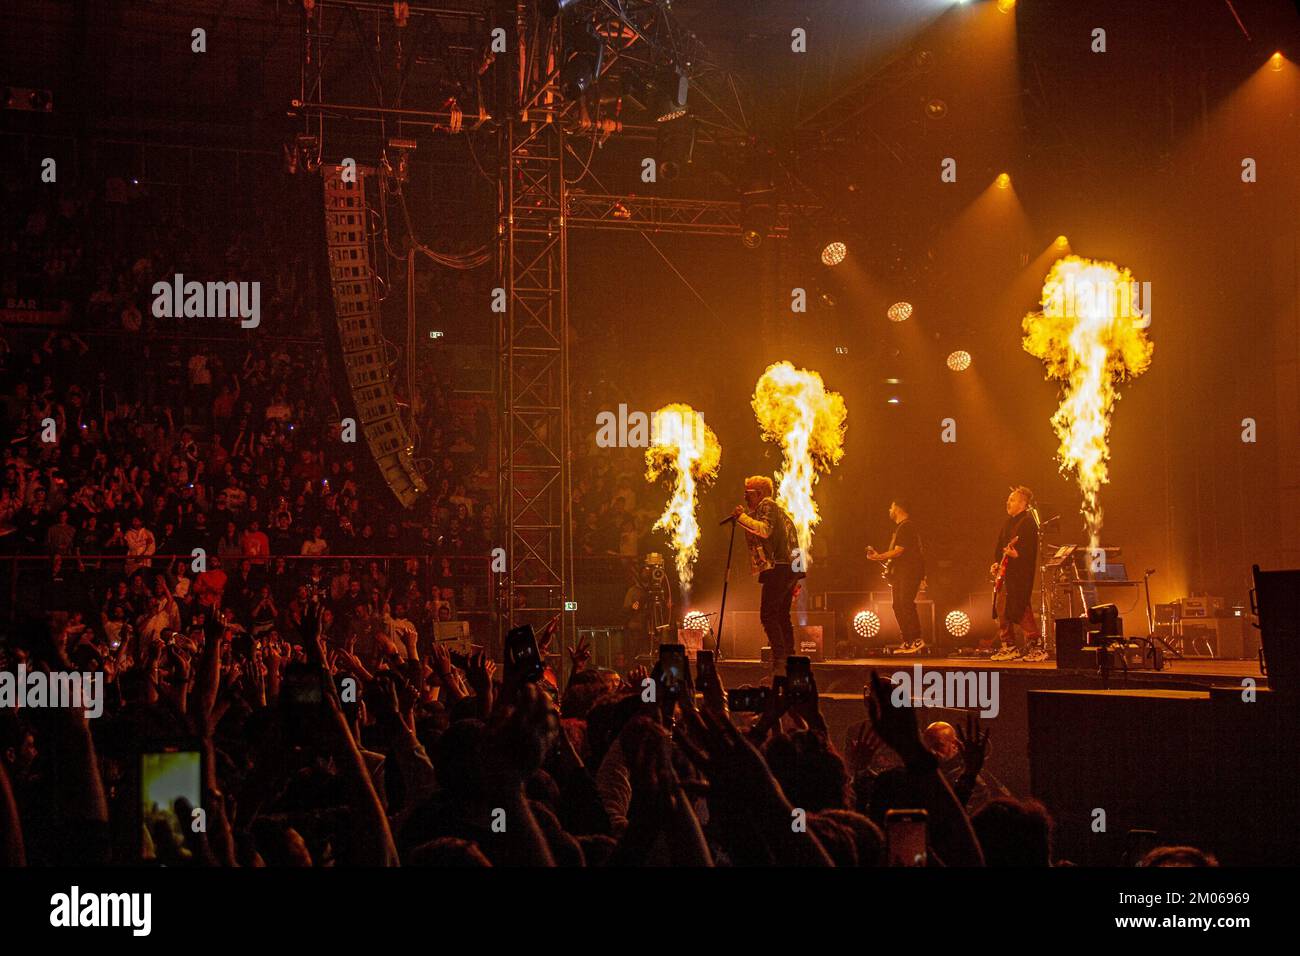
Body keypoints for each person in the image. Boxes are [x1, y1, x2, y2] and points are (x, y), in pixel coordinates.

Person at [731, 475, 802, 677]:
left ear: (759, 494)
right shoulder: (781, 511)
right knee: (781, 615)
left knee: (768, 615)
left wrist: (742, 518)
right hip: (789, 567)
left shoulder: (767, 505)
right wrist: (797, 573)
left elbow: (764, 530)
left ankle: (780, 662)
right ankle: (790, 660)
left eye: (748, 493)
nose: (745, 498)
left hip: (779, 568)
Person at [990, 486, 1044, 662]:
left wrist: (1017, 555)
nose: (1008, 502)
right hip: (1006, 573)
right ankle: (1009, 646)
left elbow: (1029, 551)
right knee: (1001, 608)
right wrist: (996, 563)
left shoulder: (1028, 523)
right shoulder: (1007, 522)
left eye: (1012, 499)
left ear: (1023, 503)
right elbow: (1000, 547)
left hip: (1019, 575)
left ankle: (1036, 646)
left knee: (1020, 608)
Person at [866, 498, 926, 654]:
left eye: (891, 507)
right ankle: (907, 641)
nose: (889, 510)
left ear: (899, 508)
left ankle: (917, 639)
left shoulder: (907, 527)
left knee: (906, 603)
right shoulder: (900, 528)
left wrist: (879, 557)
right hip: (900, 574)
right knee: (898, 605)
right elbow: (897, 555)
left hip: (909, 573)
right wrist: (884, 562)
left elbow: (900, 551)